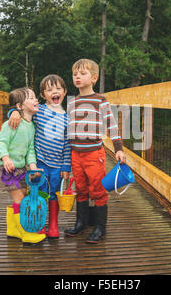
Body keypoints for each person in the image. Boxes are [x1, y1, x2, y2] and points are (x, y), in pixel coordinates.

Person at [64, 58, 126, 243]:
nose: (77, 77)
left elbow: (112, 126)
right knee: (80, 189)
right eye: (75, 74)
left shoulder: (101, 100)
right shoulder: (72, 102)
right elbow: (69, 129)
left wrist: (119, 149)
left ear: (94, 78)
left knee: (98, 189)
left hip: (94, 153)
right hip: (76, 153)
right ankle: (81, 223)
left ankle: (100, 227)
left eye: (82, 74)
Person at [7, 75, 71, 239]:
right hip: (39, 163)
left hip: (57, 165)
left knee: (54, 194)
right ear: (43, 96)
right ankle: (39, 224)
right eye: (49, 90)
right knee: (39, 193)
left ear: (64, 92)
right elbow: (24, 110)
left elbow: (67, 145)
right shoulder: (39, 111)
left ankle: (54, 225)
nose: (54, 92)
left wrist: (66, 167)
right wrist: (13, 111)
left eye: (57, 89)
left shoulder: (67, 118)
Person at [0, 87, 46, 244]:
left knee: (22, 193)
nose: (36, 100)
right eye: (31, 98)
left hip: (21, 168)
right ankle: (26, 231)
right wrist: (6, 158)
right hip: (6, 168)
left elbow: (30, 149)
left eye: (36, 97)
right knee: (21, 198)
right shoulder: (12, 123)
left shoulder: (31, 126)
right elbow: (1, 142)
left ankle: (13, 229)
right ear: (19, 106)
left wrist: (33, 166)